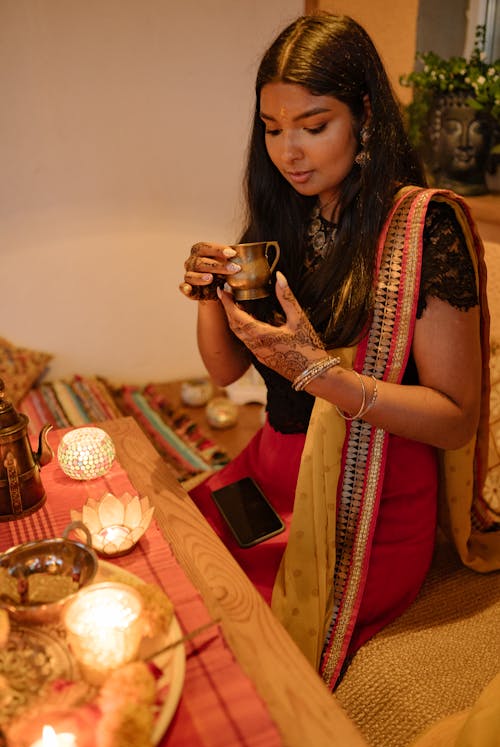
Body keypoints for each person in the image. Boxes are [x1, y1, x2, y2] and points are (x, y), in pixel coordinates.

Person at [179, 12, 499, 690]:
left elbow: (455, 418)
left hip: (372, 492)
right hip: (273, 464)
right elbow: (226, 370)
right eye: (271, 129)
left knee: (235, 651)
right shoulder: (287, 215)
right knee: (174, 573)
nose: (288, 152)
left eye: (313, 126)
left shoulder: (423, 227)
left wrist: (320, 371)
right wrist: (210, 292)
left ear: (366, 119)